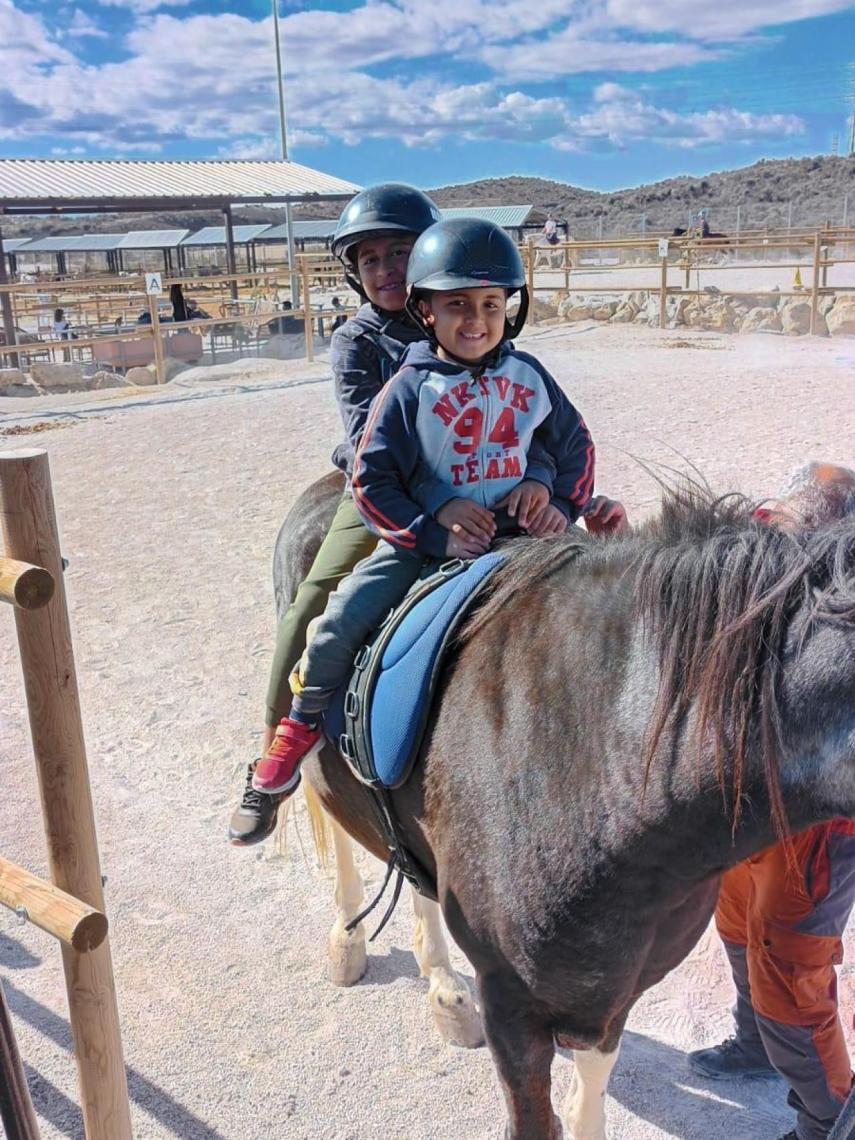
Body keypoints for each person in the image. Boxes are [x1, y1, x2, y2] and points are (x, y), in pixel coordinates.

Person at [249, 217, 625, 801]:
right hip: (431, 537)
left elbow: (572, 443)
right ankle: (296, 724)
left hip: (520, 534)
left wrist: (555, 498)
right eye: (458, 307)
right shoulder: (405, 386)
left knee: (620, 592)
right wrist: (432, 531)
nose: (476, 322)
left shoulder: (529, 373)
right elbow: (372, 475)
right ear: (428, 311)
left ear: (509, 309)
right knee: (339, 616)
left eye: (490, 306)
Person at [227, 183, 443, 845]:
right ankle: (271, 754)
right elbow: (360, 438)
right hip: (380, 487)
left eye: (399, 252)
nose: (385, 269)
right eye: (370, 258)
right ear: (355, 272)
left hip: (474, 485)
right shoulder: (357, 341)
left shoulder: (457, 318)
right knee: (314, 598)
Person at [688, 462, 855, 1140]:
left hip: (818, 820)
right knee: (734, 923)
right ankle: (755, 1048)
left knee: (788, 968)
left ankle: (828, 1122)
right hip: (755, 801)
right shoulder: (769, 558)